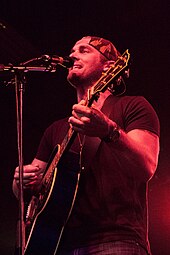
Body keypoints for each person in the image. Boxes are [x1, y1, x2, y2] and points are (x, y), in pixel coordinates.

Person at [13, 36, 160, 255]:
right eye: (73, 51)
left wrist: (109, 131)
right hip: (57, 243)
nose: (72, 55)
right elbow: (27, 192)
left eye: (83, 50)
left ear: (109, 67)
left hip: (114, 239)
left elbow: (146, 166)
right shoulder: (55, 129)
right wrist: (20, 182)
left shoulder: (133, 106)